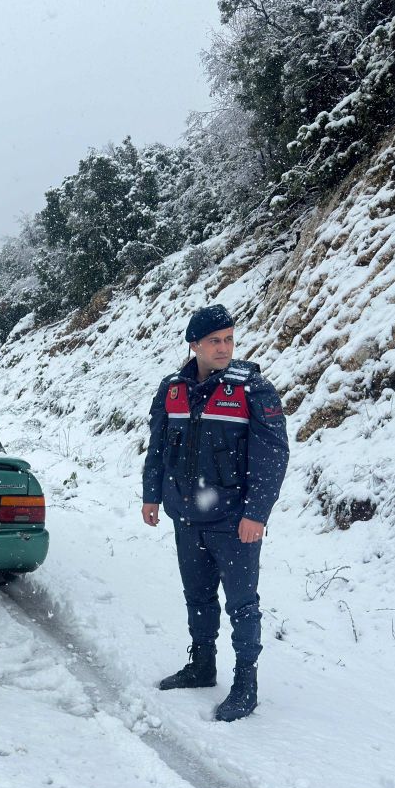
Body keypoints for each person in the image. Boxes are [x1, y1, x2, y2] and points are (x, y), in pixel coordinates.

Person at [141, 304, 290, 722]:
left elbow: (272, 456)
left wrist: (256, 514)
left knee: (242, 605)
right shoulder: (172, 390)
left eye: (228, 339)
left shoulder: (252, 390)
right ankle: (202, 664)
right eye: (214, 341)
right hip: (185, 515)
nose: (224, 348)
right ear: (195, 346)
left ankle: (246, 682)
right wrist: (151, 495)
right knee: (198, 596)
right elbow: (157, 448)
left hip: (233, 520)